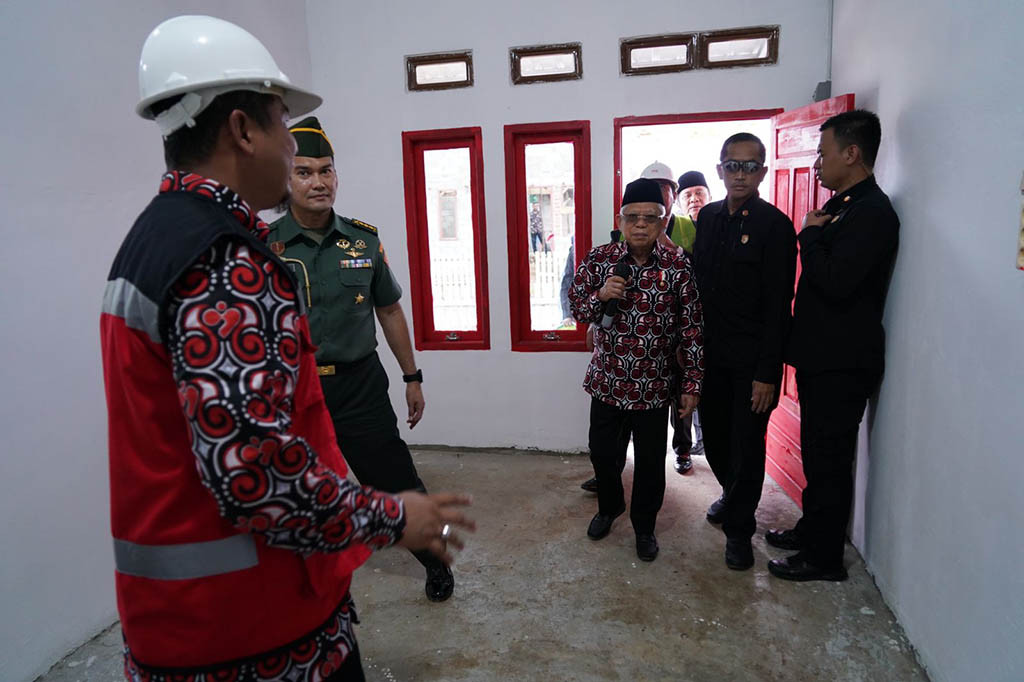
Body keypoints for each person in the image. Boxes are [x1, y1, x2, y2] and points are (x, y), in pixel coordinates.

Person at [101, 16, 473, 680]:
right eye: (280, 124)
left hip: (189, 623)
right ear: (244, 131)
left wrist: (410, 377)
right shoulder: (227, 265)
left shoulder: (156, 237)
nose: (293, 152)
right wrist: (393, 516)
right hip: (252, 632)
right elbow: (257, 475)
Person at [267, 117, 458, 603]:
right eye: (305, 172)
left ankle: (435, 561)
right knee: (296, 491)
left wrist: (411, 377)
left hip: (359, 387)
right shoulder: (263, 247)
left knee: (395, 482)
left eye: (326, 171)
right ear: (287, 180)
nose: (319, 182)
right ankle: (306, 582)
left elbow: (389, 309)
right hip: (295, 391)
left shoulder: (362, 241)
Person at [767, 110, 900, 582]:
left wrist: (809, 236)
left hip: (843, 360)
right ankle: (812, 529)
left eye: (824, 153)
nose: (817, 163)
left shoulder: (873, 213)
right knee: (817, 454)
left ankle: (824, 559)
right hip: (824, 356)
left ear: (852, 153)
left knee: (829, 459)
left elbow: (837, 282)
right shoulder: (847, 204)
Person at [569, 178, 703, 562]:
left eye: (650, 217)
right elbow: (577, 308)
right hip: (608, 382)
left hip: (653, 387)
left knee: (649, 465)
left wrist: (692, 384)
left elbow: (693, 329)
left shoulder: (678, 267)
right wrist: (600, 296)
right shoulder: (599, 260)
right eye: (633, 217)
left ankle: (645, 527)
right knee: (602, 454)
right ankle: (610, 507)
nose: (640, 225)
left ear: (663, 222)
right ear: (621, 220)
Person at [692, 133, 797, 570]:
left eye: (750, 166)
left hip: (752, 362)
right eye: (732, 166)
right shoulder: (710, 218)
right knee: (714, 438)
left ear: (763, 173)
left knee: (748, 445)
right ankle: (731, 495)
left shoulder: (775, 226)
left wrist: (768, 372)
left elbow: (778, 307)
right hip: (709, 356)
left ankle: (739, 530)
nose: (740, 174)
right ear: (720, 170)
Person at [674, 171, 713, 461]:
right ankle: (683, 449)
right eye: (687, 194)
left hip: (714, 324)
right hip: (680, 325)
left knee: (711, 390)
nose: (694, 198)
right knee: (681, 389)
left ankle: (709, 444)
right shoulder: (677, 229)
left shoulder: (721, 225)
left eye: (699, 192)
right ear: (678, 201)